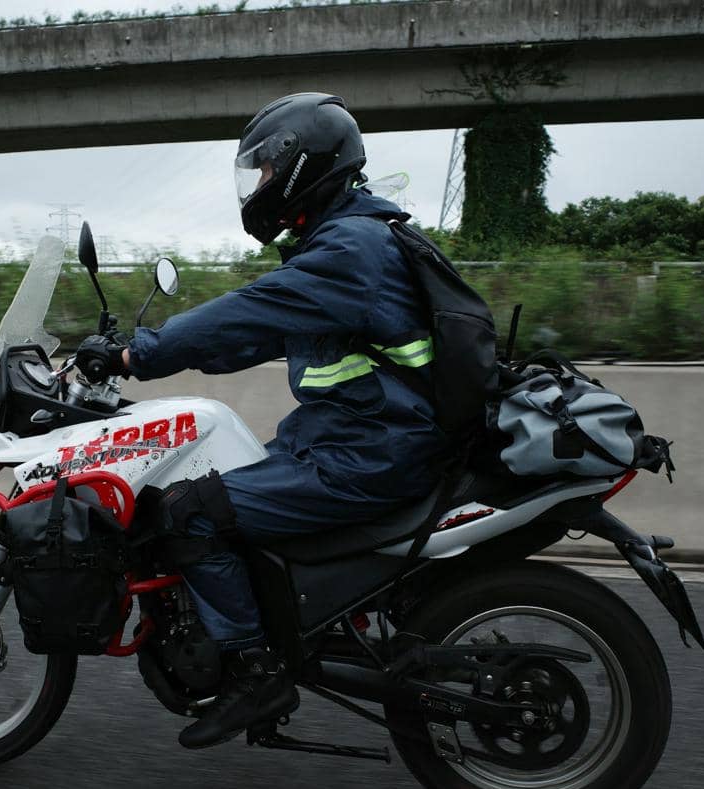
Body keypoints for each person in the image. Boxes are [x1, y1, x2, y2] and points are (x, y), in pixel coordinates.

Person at [75, 93, 448, 748]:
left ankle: (255, 671)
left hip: (371, 452)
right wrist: (165, 359)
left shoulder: (348, 252)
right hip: (364, 438)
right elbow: (254, 336)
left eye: (265, 173)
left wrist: (139, 353)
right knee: (229, 483)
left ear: (305, 166)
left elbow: (248, 310)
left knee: (190, 511)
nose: (259, 189)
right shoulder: (349, 240)